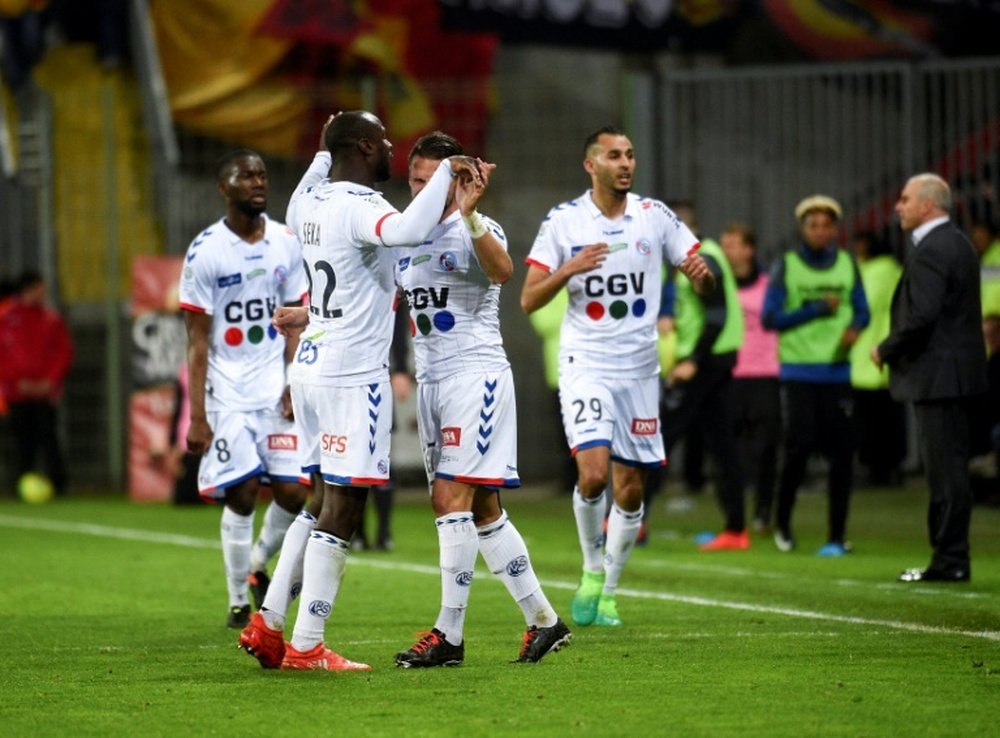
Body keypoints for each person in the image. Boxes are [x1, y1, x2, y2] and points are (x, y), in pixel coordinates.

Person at [239, 111, 484, 671]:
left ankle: (270, 623)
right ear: (365, 148)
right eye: (385, 144)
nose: (393, 152)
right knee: (345, 507)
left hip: (312, 366)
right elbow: (409, 230)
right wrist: (448, 171)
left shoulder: (307, 202)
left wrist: (328, 142)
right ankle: (307, 645)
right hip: (353, 374)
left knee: (320, 500)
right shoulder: (362, 205)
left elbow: (318, 170)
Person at [521, 125, 713, 627]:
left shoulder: (655, 217)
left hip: (640, 370)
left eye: (630, 155)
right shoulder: (564, 222)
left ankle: (608, 590)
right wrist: (569, 270)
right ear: (592, 165)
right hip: (585, 363)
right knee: (591, 473)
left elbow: (699, 266)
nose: (626, 163)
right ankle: (589, 569)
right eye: (614, 156)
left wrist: (702, 275)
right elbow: (528, 298)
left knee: (631, 489)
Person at [392, 131, 570, 667]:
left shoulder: (476, 226)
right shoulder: (404, 234)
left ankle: (449, 635)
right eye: (416, 180)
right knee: (486, 510)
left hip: (476, 377)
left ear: (457, 179)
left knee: (450, 501)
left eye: (433, 179)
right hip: (432, 384)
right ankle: (544, 621)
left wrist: (469, 214)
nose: (422, 190)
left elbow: (502, 271)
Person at [178, 149, 309, 629]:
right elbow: (195, 340)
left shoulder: (285, 242)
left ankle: (257, 565)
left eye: (262, 175)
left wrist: (295, 383)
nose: (258, 182)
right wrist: (197, 415)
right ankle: (237, 600)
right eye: (246, 175)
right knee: (245, 490)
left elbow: (296, 321)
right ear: (223, 187)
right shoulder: (206, 251)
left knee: (295, 494)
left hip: (275, 387)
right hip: (227, 392)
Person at [872, 173, 988, 583]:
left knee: (946, 471)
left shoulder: (935, 248)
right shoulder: (953, 243)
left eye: (905, 199)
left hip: (940, 376)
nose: (898, 206)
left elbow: (922, 315)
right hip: (951, 375)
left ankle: (951, 559)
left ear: (928, 204)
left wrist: (884, 349)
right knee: (948, 468)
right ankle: (950, 556)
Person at [762, 195, 869, 557]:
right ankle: (783, 524)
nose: (821, 232)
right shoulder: (787, 266)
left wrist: (855, 327)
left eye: (827, 225)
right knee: (800, 447)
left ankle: (837, 537)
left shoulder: (847, 265)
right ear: (802, 229)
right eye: (814, 225)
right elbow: (770, 319)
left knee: (842, 455)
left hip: (837, 372)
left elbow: (864, 311)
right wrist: (816, 309)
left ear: (835, 229)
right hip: (798, 372)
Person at [655, 221, 746, 550]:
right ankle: (736, 530)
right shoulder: (700, 256)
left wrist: (692, 359)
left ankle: (628, 521)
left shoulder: (700, 258)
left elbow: (717, 316)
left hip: (704, 363)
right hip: (713, 361)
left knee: (659, 439)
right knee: (721, 447)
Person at [721, 222, 782, 531]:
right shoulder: (719, 286)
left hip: (764, 374)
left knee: (765, 448)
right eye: (724, 244)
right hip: (728, 375)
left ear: (749, 250)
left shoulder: (769, 286)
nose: (725, 250)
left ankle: (763, 509)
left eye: (732, 244)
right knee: (730, 450)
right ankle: (734, 515)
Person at [0, 270, 73, 496]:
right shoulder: (6, 318)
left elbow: (64, 351)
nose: (43, 293)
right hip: (17, 392)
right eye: (39, 289)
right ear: (28, 289)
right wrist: (15, 380)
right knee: (23, 440)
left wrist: (50, 381)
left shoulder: (51, 318)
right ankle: (22, 481)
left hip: (45, 392)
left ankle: (59, 484)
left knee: (49, 437)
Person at [849, 231, 905, 487]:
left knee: (872, 417)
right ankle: (888, 467)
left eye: (861, 242)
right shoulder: (890, 269)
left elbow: (865, 304)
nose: (857, 247)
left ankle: (878, 469)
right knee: (887, 414)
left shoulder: (879, 270)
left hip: (870, 349)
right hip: (881, 351)